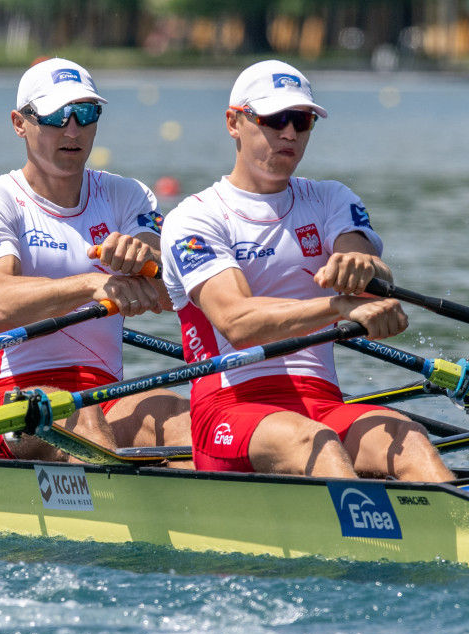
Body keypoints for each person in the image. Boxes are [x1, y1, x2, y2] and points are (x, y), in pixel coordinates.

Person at [160, 59, 452, 481]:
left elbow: (368, 268)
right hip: (229, 412)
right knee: (315, 441)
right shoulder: (195, 218)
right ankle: (368, 541)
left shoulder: (331, 199)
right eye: (274, 118)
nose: (289, 133)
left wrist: (364, 268)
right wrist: (340, 307)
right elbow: (237, 322)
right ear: (233, 122)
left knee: (409, 438)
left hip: (323, 405)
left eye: (302, 120)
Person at [0, 57, 191, 461]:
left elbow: (172, 295)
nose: (73, 129)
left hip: (105, 393)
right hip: (15, 401)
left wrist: (148, 259)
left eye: (85, 113)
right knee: (80, 418)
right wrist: (91, 284)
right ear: (19, 123)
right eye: (57, 116)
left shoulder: (127, 196)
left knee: (177, 413)